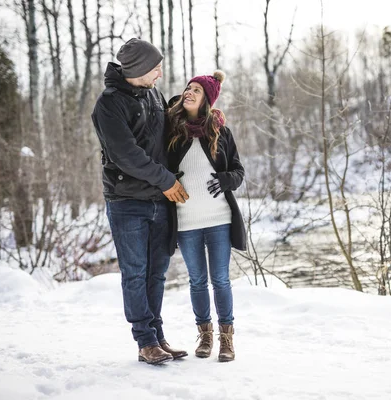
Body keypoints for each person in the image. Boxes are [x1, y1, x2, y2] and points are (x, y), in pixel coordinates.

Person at [91, 38, 190, 365]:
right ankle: (145, 341)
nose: (160, 73)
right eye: (155, 67)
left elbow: (164, 136)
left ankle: (157, 335)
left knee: (157, 273)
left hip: (161, 200)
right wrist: (166, 181)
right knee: (135, 272)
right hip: (127, 200)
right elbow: (126, 155)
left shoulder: (153, 94)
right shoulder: (109, 104)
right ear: (138, 69)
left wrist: (197, 113)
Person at [166, 70, 246, 362]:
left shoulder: (221, 132)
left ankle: (227, 340)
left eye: (196, 90)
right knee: (197, 281)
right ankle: (205, 335)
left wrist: (226, 180)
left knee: (221, 280)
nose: (189, 92)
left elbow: (238, 172)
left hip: (218, 219)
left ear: (207, 99)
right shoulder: (173, 131)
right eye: (188, 88)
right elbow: (162, 169)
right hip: (186, 221)